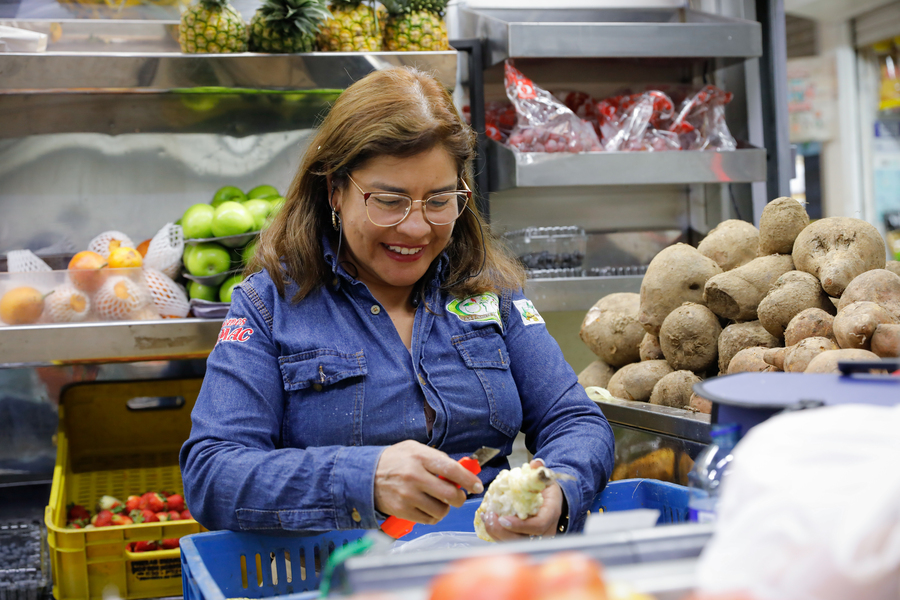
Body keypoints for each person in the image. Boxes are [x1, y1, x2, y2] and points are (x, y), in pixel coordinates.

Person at [180, 67, 615, 542]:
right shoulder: (269, 305)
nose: (416, 228)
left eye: (439, 200)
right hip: (335, 572)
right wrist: (365, 478)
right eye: (389, 200)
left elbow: (574, 419)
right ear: (335, 190)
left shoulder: (488, 292)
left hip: (483, 568)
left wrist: (560, 489)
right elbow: (212, 473)